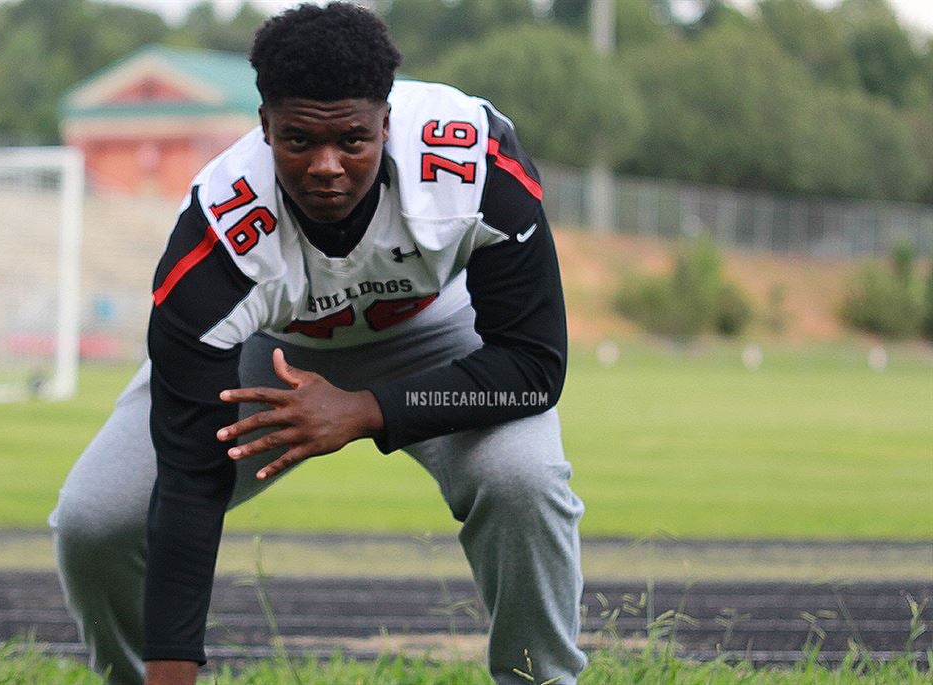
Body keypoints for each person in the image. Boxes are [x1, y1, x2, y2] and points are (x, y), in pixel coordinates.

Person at [50, 3, 587, 684]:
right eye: (298, 140)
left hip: (438, 337)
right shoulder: (216, 235)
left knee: (524, 479)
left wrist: (366, 407)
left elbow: (535, 366)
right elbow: (188, 482)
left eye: (352, 141)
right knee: (96, 521)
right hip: (270, 356)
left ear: (386, 122)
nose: (326, 166)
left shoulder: (472, 161)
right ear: (264, 126)